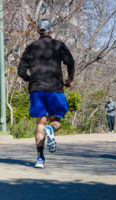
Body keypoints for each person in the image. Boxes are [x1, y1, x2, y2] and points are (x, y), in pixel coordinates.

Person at [18, 19, 75, 168]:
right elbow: (70, 62)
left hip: (37, 91)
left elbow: (21, 71)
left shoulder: (31, 48)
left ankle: (40, 159)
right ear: (51, 31)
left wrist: (30, 79)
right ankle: (52, 129)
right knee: (55, 121)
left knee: (39, 125)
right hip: (54, 89)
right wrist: (69, 80)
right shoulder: (59, 45)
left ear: (38, 32)